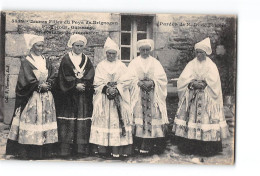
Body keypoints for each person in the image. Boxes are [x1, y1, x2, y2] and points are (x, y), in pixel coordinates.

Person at [172, 37, 230, 156]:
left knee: (206, 121)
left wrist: (204, 83)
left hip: (206, 98)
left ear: (206, 53)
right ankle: (189, 147)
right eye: (197, 52)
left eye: (201, 52)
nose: (199, 54)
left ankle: (207, 148)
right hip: (192, 97)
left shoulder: (211, 65)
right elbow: (183, 79)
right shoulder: (191, 64)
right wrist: (192, 83)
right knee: (191, 120)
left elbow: (214, 81)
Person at [6, 34, 58, 159]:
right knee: (32, 121)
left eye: (42, 45)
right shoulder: (26, 61)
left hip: (46, 97)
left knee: (44, 122)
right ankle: (29, 151)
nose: (40, 48)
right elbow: (26, 79)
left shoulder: (46, 60)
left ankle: (45, 151)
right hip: (32, 97)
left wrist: (49, 83)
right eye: (38, 45)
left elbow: (53, 74)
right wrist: (38, 86)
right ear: (32, 46)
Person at [120, 39, 168, 155]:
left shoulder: (155, 63)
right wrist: (138, 82)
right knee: (138, 117)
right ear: (139, 50)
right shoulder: (134, 63)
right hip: (138, 95)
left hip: (152, 95)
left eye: (147, 50)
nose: (145, 52)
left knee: (153, 116)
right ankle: (138, 144)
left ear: (150, 50)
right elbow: (128, 77)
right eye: (143, 50)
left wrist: (152, 82)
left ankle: (150, 145)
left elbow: (162, 78)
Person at [89, 37, 133, 159]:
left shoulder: (122, 66)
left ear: (116, 54)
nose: (111, 55)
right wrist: (107, 89)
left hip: (118, 97)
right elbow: (97, 82)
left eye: (113, 53)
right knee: (104, 121)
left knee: (118, 122)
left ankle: (117, 149)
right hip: (104, 98)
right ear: (106, 53)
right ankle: (103, 149)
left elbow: (127, 80)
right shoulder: (101, 66)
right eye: (109, 53)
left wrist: (117, 89)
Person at [55, 34, 95, 158]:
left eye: (81, 46)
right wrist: (74, 85)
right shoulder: (66, 59)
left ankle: (81, 149)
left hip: (82, 96)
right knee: (69, 120)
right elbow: (63, 76)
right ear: (72, 46)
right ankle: (66, 150)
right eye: (76, 46)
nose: (79, 48)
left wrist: (84, 85)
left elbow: (90, 74)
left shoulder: (87, 60)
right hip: (69, 96)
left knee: (81, 119)